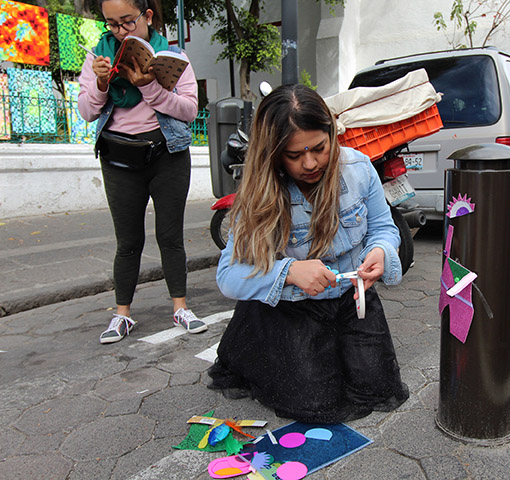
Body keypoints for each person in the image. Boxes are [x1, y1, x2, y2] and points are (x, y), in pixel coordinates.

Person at [208, 85, 409, 423]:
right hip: (293, 310)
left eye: (319, 148)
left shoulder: (358, 168)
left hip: (351, 299)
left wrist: (381, 251)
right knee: (312, 401)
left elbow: (384, 229)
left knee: (377, 385)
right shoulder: (259, 194)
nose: (311, 163)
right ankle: (254, 345)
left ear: (332, 134)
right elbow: (228, 276)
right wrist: (287, 272)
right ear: (272, 154)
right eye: (294, 155)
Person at [78, 0, 206, 343]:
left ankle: (180, 306)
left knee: (170, 235)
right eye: (112, 24)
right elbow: (87, 111)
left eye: (128, 22)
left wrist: (149, 85)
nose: (120, 32)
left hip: (168, 155)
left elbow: (189, 110)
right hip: (119, 159)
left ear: (147, 16)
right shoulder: (97, 58)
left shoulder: (174, 56)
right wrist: (102, 85)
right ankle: (122, 315)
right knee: (128, 241)